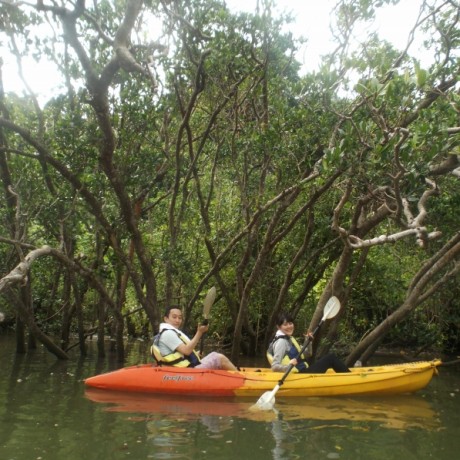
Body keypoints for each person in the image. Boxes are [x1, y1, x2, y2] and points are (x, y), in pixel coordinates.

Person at [151, 305, 238, 370]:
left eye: (180, 318)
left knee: (214, 355)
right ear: (166, 319)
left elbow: (181, 354)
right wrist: (199, 332)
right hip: (184, 372)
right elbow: (187, 351)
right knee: (219, 358)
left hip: (183, 368)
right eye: (174, 317)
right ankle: (242, 378)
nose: (177, 320)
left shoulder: (167, 332)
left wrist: (195, 354)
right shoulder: (168, 333)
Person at [267, 312, 350, 373]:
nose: (289, 326)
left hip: (302, 371)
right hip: (299, 375)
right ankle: (349, 377)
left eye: (290, 323)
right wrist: (289, 365)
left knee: (330, 358)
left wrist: (308, 341)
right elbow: (274, 367)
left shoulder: (289, 338)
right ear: (279, 327)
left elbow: (307, 354)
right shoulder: (281, 342)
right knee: (330, 358)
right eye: (285, 324)